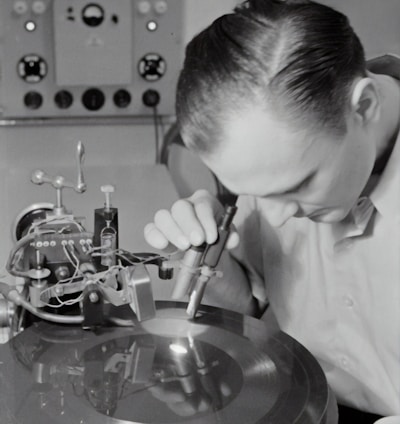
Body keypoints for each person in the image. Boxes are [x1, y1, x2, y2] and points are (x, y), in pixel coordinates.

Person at [144, 0, 400, 422]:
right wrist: (215, 257)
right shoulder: (284, 154)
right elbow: (251, 313)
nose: (277, 218)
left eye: (296, 185)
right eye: (255, 193)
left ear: (366, 108)